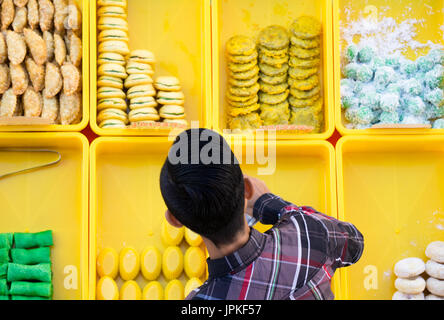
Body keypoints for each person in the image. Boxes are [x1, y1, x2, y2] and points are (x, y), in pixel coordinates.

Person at [159, 128, 364, 300]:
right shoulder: (309, 234)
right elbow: (355, 243)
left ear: (175, 220)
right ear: (247, 189)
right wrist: (267, 203)